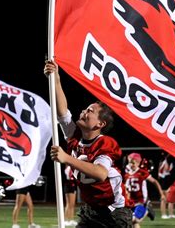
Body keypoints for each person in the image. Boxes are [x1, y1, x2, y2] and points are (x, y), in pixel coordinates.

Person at [45, 60, 132, 227]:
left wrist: (66, 158)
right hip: (90, 210)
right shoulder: (75, 136)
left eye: (90, 111)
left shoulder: (105, 143)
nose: (84, 111)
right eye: (85, 109)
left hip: (114, 213)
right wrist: (55, 78)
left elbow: (100, 174)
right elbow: (62, 112)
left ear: (100, 124)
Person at [124, 152, 165, 227]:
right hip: (131, 202)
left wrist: (161, 194)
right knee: (133, 223)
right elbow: (126, 189)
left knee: (134, 220)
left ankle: (148, 209)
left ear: (138, 163)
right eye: (130, 162)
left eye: (133, 163)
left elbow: (155, 181)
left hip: (141, 201)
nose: (131, 165)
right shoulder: (127, 174)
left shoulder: (142, 172)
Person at [157, 151, 175, 219]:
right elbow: (165, 170)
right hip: (164, 179)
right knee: (164, 198)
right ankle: (163, 214)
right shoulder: (165, 160)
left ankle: (171, 214)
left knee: (171, 198)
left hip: (166, 179)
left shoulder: (166, 160)